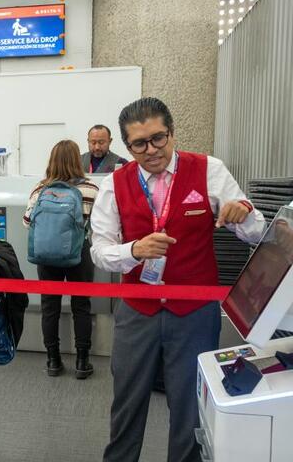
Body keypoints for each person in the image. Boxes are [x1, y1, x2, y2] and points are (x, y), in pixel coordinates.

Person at [90, 97, 266, 462]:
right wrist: (134, 250)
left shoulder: (208, 169)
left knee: (189, 408)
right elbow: (99, 249)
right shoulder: (114, 183)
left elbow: (257, 233)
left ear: (171, 132)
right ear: (127, 146)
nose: (152, 150)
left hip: (194, 313)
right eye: (140, 144)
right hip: (137, 310)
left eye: (159, 138)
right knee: (127, 403)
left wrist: (242, 215)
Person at [23, 140, 99, 379]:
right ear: (78, 160)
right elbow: (98, 225)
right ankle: (82, 361)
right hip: (79, 254)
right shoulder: (90, 189)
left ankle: (53, 360)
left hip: (46, 256)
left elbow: (27, 222)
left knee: (50, 307)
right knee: (81, 306)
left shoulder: (40, 189)